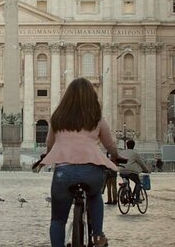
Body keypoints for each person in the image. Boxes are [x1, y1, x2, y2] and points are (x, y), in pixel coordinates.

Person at [38, 77, 123, 247]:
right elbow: (109, 145)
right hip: (92, 171)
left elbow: (50, 143)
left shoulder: (57, 117)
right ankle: (98, 235)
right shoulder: (97, 118)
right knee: (94, 194)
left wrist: (47, 156)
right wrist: (116, 156)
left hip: (64, 172)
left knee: (58, 219)